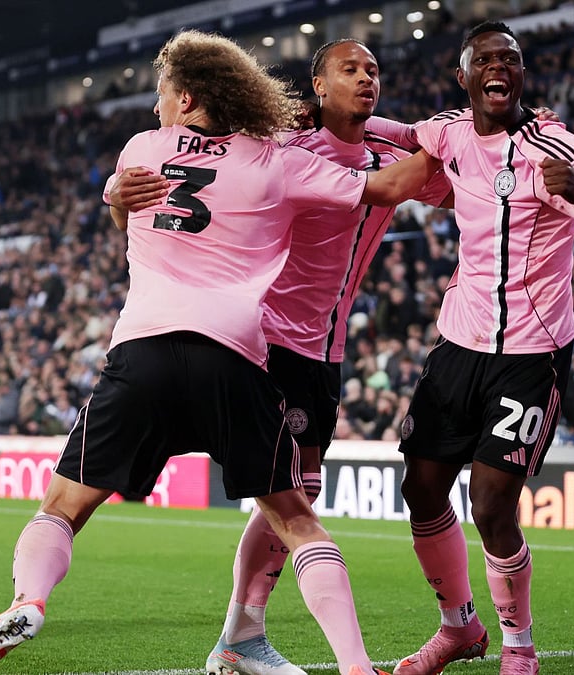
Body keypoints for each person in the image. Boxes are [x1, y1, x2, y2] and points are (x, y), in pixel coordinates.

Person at [0, 30, 425, 675]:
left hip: (141, 349)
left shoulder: (142, 150)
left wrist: (114, 197)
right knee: (298, 518)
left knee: (60, 508)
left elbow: (131, 207)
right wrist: (463, 137)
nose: (154, 108)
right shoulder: (273, 159)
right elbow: (390, 185)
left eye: (161, 94)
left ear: (190, 98)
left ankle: (28, 600)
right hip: (237, 350)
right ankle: (355, 666)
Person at [112, 38, 453, 675]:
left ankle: (240, 638)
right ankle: (246, 639)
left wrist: (452, 143)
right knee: (292, 501)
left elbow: (466, 194)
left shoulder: (386, 153)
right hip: (266, 335)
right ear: (317, 86)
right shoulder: (284, 149)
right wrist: (115, 188)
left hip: (324, 343)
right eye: (348, 69)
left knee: (302, 490)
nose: (365, 78)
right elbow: (201, 161)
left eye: (373, 70)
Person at [365, 21, 574, 675]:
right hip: (458, 345)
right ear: (463, 78)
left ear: (521, 75)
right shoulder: (451, 132)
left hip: (531, 353)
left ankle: (519, 647)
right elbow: (402, 134)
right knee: (422, 488)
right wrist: (323, 119)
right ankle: (458, 628)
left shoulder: (557, 150)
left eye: (511, 58)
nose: (500, 66)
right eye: (485, 58)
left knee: (491, 504)